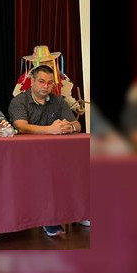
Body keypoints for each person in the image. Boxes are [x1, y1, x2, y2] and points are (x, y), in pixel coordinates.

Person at [8, 64, 81, 238]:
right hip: (25, 157)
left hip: (56, 155)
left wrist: (68, 127)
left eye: (49, 83)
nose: (46, 86)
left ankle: (80, 213)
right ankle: (49, 219)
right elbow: (20, 126)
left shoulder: (58, 100)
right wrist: (50, 129)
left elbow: (77, 125)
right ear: (32, 81)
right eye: (41, 81)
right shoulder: (19, 100)